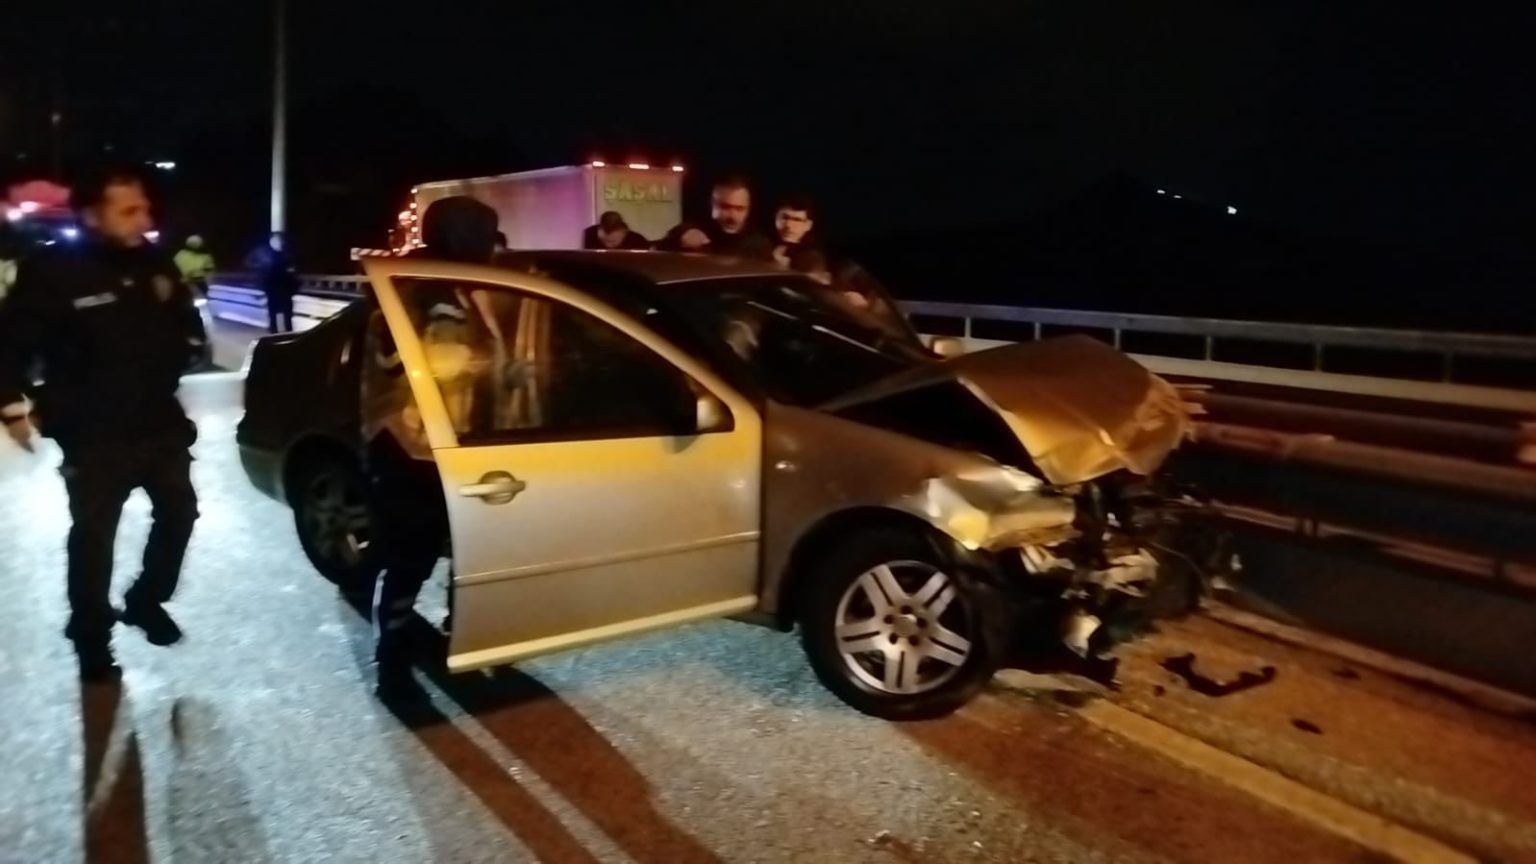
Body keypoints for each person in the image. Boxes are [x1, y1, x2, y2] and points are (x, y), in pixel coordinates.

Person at [0, 164, 207, 680]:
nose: (144, 219)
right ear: (93, 215)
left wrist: (185, 347)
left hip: (158, 424)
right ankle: (91, 636)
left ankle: (145, 599)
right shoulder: (53, 272)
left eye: (145, 208)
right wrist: (11, 404)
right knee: (95, 537)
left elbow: (187, 322)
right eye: (129, 210)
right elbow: (10, 345)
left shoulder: (156, 262)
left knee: (180, 513)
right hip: (92, 433)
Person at [364, 195, 500, 699]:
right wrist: (492, 368)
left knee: (463, 550)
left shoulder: (449, 283)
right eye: (484, 236)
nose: (490, 247)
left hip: (447, 444)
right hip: (413, 447)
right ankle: (392, 664)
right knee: (411, 559)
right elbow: (419, 364)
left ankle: (455, 639)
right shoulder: (422, 289)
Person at [659, 175, 774, 259]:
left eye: (739, 209)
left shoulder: (760, 246)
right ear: (713, 205)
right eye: (725, 207)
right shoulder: (696, 230)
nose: (732, 216)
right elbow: (660, 250)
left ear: (748, 209)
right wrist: (680, 235)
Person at [247, 232, 297, 333]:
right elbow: (250, 262)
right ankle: (274, 333)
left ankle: (288, 334)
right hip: (272, 289)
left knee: (287, 314)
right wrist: (260, 271)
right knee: (273, 313)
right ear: (271, 241)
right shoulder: (265, 253)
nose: (278, 242)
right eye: (276, 240)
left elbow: (293, 271)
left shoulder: (287, 254)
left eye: (280, 240)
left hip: (285, 289)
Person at [771, 196, 819, 267]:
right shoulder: (759, 247)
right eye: (784, 218)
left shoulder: (813, 259)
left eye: (797, 220)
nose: (788, 225)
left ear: (808, 225)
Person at [582, 211, 651, 250]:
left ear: (624, 231)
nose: (610, 236)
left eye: (614, 231)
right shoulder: (591, 235)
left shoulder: (637, 240)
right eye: (606, 231)